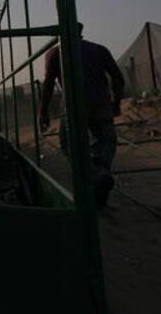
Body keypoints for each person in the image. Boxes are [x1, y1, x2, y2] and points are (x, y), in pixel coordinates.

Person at [39, 23, 125, 207]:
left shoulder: (55, 53)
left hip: (73, 106)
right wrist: (116, 103)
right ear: (81, 33)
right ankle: (100, 176)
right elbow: (118, 78)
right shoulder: (99, 49)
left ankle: (96, 174)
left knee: (69, 144)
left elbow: (47, 85)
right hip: (101, 103)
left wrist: (43, 112)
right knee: (106, 142)